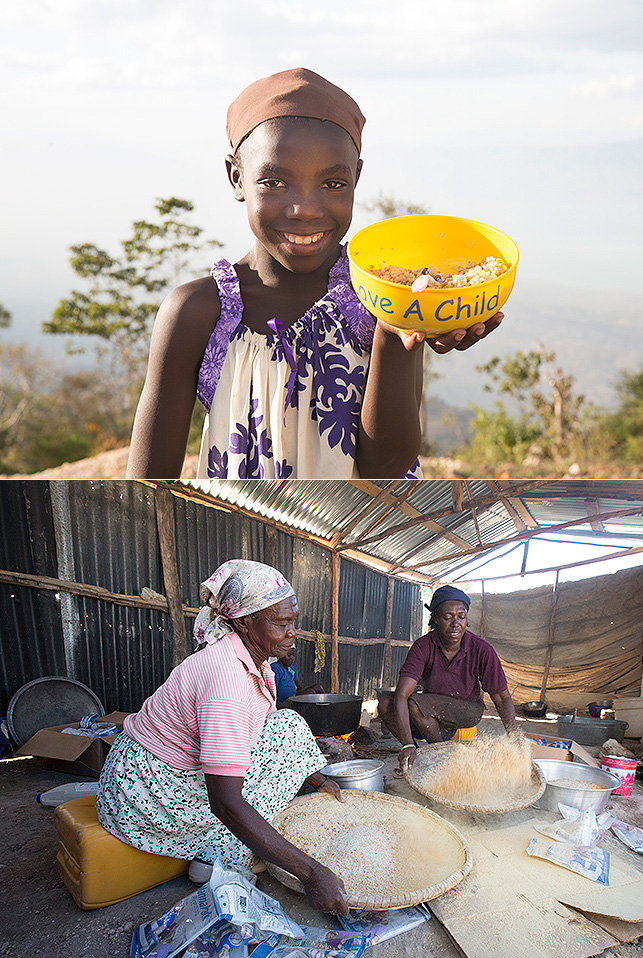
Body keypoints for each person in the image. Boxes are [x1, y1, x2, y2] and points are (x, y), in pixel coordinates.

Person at [125, 67, 503, 481]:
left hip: (359, 541)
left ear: (356, 177)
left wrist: (396, 333)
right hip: (241, 545)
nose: (305, 208)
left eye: (333, 184)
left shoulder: (385, 296)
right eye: (274, 181)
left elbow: (387, 470)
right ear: (237, 177)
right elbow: (146, 489)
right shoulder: (198, 312)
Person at [97, 559, 348, 915]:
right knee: (252, 792)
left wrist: (318, 778)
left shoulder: (250, 657)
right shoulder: (227, 680)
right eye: (281, 623)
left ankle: (221, 845)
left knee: (288, 724)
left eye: (293, 621)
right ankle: (220, 854)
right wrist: (311, 873)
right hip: (143, 792)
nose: (293, 632)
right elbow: (225, 800)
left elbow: (266, 727)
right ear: (245, 621)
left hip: (155, 768)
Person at [378, 585, 517, 775]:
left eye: (461, 616)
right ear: (435, 618)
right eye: (447, 617)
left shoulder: (481, 649)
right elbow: (401, 694)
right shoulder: (423, 646)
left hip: (467, 708)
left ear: (467, 619)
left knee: (414, 705)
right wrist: (407, 745)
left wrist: (513, 735)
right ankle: (417, 753)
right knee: (386, 704)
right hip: (432, 711)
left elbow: (501, 697)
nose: (455, 623)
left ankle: (442, 756)